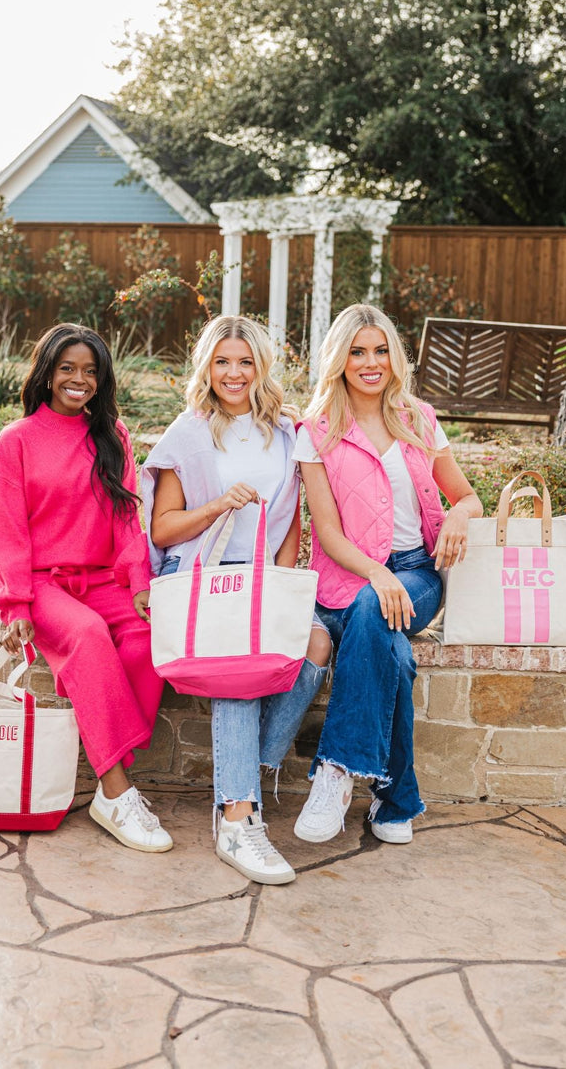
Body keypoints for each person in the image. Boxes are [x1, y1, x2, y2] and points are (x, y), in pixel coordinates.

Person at [142, 316, 331, 886]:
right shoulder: (191, 432)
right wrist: (219, 504)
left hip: (261, 575)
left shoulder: (284, 432)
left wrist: (278, 582)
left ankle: (253, 766)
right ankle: (237, 818)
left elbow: (290, 517)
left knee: (317, 641)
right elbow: (164, 528)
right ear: (207, 367)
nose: (233, 373)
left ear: (260, 367)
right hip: (205, 574)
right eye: (222, 361)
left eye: (245, 362)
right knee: (238, 668)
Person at [293, 304, 482, 846]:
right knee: (393, 655)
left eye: (380, 350)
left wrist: (458, 519)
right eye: (357, 352)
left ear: (394, 356)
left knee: (376, 611)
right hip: (351, 575)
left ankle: (334, 770)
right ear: (340, 359)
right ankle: (396, 796)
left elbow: (466, 495)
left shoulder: (419, 418)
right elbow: (327, 535)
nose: (370, 362)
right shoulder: (317, 431)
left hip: (418, 574)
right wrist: (377, 573)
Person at [0, 323, 172, 853]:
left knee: (145, 636)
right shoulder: (16, 440)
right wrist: (16, 602)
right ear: (46, 373)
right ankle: (115, 790)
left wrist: (139, 582)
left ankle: (106, 751)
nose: (79, 380)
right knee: (89, 636)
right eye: (67, 368)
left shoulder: (111, 435)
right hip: (44, 584)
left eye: (90, 371)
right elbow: (8, 527)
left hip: (103, 578)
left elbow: (125, 519)